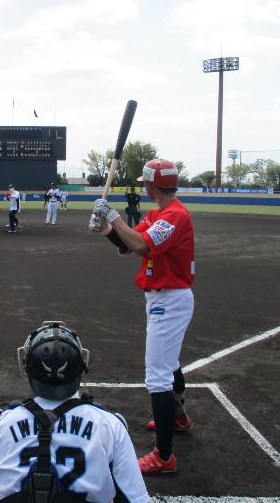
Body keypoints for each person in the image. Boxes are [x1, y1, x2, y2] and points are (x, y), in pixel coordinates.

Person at [0, 321, 149, 503]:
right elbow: (135, 498)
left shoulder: (1, 423)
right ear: (80, 367)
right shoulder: (110, 424)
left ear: (28, 368)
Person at [88, 158, 195, 475]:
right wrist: (107, 229)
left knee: (157, 376)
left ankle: (164, 457)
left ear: (151, 185)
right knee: (170, 363)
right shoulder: (159, 214)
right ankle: (177, 417)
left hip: (170, 299)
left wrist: (115, 217)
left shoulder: (174, 216)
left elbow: (143, 245)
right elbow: (128, 245)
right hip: (165, 298)